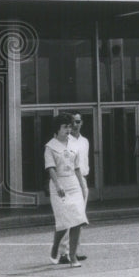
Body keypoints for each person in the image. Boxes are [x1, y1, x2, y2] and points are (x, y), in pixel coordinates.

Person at [44, 112, 88, 267]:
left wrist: (82, 186)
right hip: (59, 185)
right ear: (57, 128)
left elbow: (77, 168)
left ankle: (73, 257)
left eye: (70, 126)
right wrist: (57, 185)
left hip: (74, 183)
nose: (68, 130)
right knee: (64, 222)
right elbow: (51, 168)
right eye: (65, 127)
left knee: (78, 219)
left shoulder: (74, 144)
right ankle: (56, 246)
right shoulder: (50, 147)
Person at [58, 111, 90, 263]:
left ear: (82, 122)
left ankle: (74, 251)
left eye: (78, 122)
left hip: (81, 179)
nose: (76, 125)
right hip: (69, 180)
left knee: (79, 217)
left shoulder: (84, 141)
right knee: (67, 217)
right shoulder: (65, 140)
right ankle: (63, 253)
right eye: (73, 122)